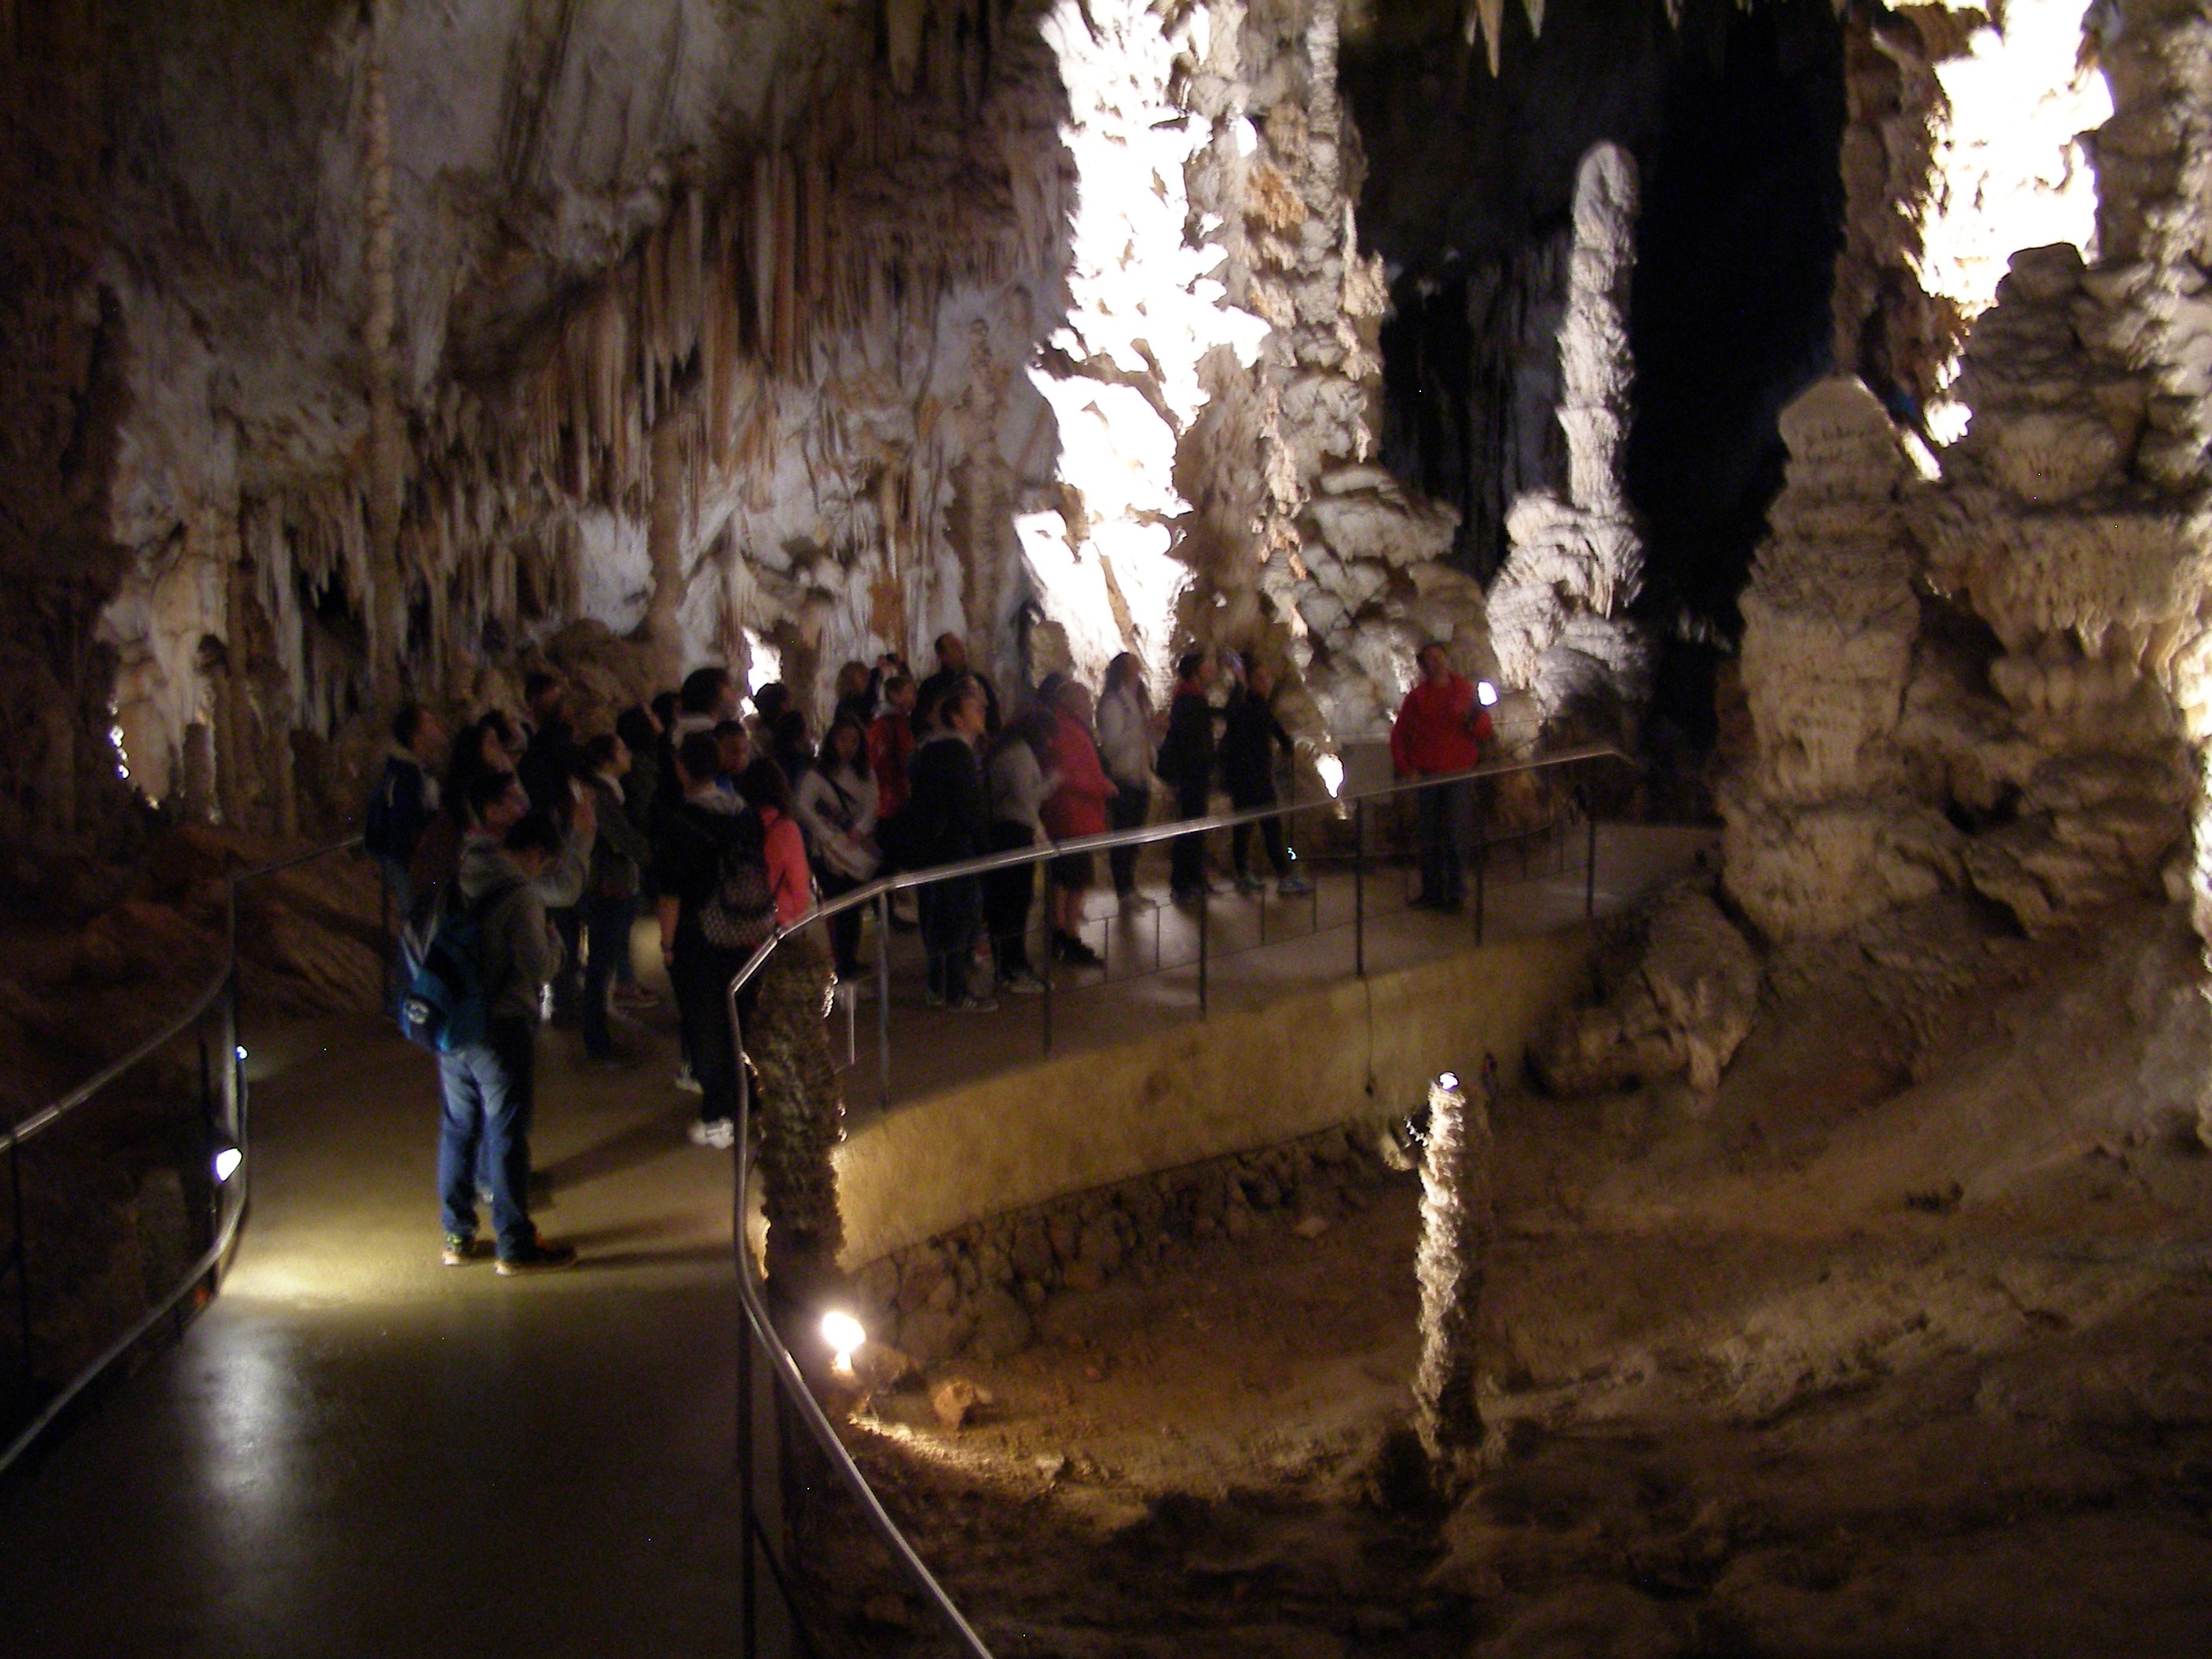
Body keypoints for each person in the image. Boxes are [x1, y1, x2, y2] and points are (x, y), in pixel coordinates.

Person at [436, 802, 588, 1275]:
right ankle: (515, 1244)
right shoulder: (520, 895)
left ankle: (458, 1236)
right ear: (536, 852)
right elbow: (538, 966)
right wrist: (555, 940)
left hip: (452, 1020)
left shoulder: (461, 874)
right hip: (500, 1026)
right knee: (504, 1132)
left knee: (458, 1128)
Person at [654, 731, 750, 1147]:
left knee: (705, 1024)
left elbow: (670, 892)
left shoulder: (680, 823)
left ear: (682, 770)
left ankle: (718, 1117)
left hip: (699, 934)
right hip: (744, 927)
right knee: (740, 1017)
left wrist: (668, 944)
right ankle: (748, 1099)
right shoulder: (742, 812)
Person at [904, 679, 994, 1011]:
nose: (982, 710)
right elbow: (970, 808)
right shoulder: (957, 753)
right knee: (957, 920)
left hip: (933, 848)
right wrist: (987, 848)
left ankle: (937, 986)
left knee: (936, 918)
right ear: (957, 718)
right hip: (954, 849)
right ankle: (954, 991)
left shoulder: (930, 751)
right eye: (973, 706)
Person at [1390, 643, 1493, 913]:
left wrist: (1472, 719)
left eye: (1438, 657)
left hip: (1458, 773)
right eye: (1429, 659)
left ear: (1446, 659)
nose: (1434, 663)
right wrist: (1406, 768)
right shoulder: (1417, 698)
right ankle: (1433, 891)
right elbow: (1400, 734)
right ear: (1424, 665)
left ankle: (1456, 892)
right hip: (1428, 775)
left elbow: (1484, 731)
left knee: (1456, 834)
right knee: (1429, 836)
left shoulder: (1465, 692)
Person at [577, 733, 654, 1068]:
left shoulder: (612, 791)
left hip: (614, 885)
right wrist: (648, 854)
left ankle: (600, 1035)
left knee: (604, 964)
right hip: (606, 888)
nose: (628, 754)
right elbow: (621, 839)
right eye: (622, 749)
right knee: (600, 966)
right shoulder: (600, 794)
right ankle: (597, 1044)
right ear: (607, 759)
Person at [365, 701, 445, 1009]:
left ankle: (409, 996)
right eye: (431, 724)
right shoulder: (406, 776)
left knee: (417, 927)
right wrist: (414, 858)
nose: (438, 730)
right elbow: (401, 824)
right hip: (407, 862)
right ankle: (407, 998)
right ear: (416, 736)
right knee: (416, 927)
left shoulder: (414, 773)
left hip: (410, 860)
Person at [793, 714, 879, 982]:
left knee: (854, 908)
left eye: (854, 741)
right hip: (827, 850)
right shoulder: (818, 774)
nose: (848, 746)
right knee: (840, 909)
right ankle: (842, 964)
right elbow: (802, 806)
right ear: (832, 741)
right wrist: (825, 833)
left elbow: (873, 804)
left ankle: (848, 959)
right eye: (843, 740)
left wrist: (861, 829)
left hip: (855, 845)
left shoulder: (865, 773)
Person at [982, 705, 1057, 994]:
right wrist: (1052, 782)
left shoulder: (1010, 750)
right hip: (1012, 833)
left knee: (1010, 903)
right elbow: (1027, 797)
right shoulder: (1019, 754)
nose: (1049, 742)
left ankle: (1012, 964)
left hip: (1007, 831)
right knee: (1012, 903)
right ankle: (1011, 967)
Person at [1221, 661, 1311, 898]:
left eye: (1267, 678)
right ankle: (1282, 875)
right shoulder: (1247, 706)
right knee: (1262, 828)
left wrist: (1285, 743)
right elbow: (1249, 726)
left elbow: (1273, 728)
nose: (1266, 682)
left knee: (1252, 829)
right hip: (1251, 780)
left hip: (1254, 778)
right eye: (1261, 678)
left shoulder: (1259, 706)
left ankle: (1250, 874)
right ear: (1251, 682)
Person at [1040, 680, 1112, 966]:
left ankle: (1062, 935)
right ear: (1068, 701)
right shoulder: (1067, 729)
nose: (1089, 703)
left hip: (1071, 815)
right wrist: (1102, 786)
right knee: (1073, 880)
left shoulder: (1066, 727)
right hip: (1073, 816)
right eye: (1083, 697)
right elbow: (1070, 773)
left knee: (1067, 879)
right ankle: (1067, 936)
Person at [1158, 650, 1221, 904]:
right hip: (1191, 773)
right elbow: (1190, 739)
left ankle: (1194, 878)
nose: (1211, 671)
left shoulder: (1194, 697)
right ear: (1195, 671)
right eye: (1206, 666)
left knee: (1195, 826)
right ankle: (1182, 882)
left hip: (1195, 772)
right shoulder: (1188, 699)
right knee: (1189, 826)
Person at [1095, 653, 1154, 899]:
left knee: (1134, 837)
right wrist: (1141, 729)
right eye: (1132, 665)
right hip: (1123, 777)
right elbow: (1111, 745)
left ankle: (1129, 885)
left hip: (1139, 777)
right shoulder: (1113, 703)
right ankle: (1123, 888)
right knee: (1123, 837)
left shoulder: (1135, 701)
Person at [917, 632, 1002, 734]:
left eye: (961, 644)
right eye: (954, 646)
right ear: (942, 656)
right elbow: (921, 723)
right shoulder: (930, 687)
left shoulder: (980, 681)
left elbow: (993, 716)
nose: (961, 649)